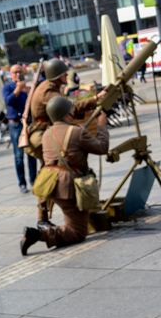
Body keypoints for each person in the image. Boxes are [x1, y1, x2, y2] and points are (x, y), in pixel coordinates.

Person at [20, 95, 109, 255]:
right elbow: (102, 148)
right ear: (67, 114)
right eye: (71, 109)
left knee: (76, 220)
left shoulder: (47, 133)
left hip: (51, 184)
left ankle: (46, 232)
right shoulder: (77, 132)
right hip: (68, 187)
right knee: (77, 233)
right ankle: (37, 235)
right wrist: (101, 126)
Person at [28, 58, 104, 227]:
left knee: (55, 173)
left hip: (47, 132)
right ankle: (43, 219)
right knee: (50, 175)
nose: (67, 76)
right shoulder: (48, 92)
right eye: (64, 74)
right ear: (58, 76)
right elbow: (70, 108)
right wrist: (95, 99)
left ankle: (73, 207)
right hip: (42, 136)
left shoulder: (50, 87)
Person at [3, 64, 37, 193]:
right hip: (16, 124)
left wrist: (28, 91)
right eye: (15, 72)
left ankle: (33, 180)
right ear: (10, 74)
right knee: (19, 156)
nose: (18, 74)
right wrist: (18, 88)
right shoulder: (8, 88)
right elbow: (8, 101)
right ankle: (22, 183)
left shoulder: (27, 88)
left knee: (32, 154)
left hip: (28, 123)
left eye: (20, 72)